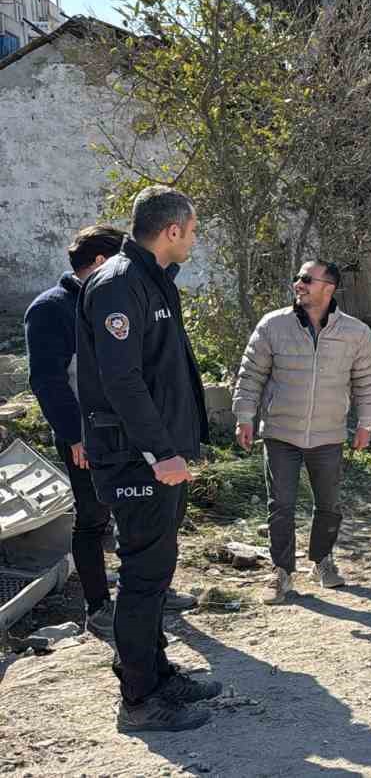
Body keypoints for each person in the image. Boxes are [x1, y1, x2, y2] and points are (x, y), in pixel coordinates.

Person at [77, 186, 220, 733]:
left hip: (160, 457)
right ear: (173, 230)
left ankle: (156, 674)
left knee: (155, 573)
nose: (195, 238)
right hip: (136, 459)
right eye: (194, 228)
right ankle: (139, 701)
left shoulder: (152, 279)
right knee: (142, 576)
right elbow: (121, 379)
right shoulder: (118, 284)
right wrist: (160, 450)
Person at [232, 259, 371, 604]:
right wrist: (244, 416)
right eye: (297, 278)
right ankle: (281, 573)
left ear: (329, 288)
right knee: (280, 505)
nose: (298, 284)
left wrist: (365, 423)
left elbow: (367, 382)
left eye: (307, 280)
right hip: (281, 433)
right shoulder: (273, 325)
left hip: (329, 435)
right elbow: (251, 374)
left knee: (329, 504)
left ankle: (322, 561)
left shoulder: (356, 333)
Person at [24, 226, 125, 639]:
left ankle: (148, 590)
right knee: (92, 518)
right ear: (101, 263)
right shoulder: (51, 308)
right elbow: (47, 381)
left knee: (135, 514)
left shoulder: (108, 301)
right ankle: (98, 606)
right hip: (84, 435)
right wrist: (75, 435)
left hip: (125, 429)